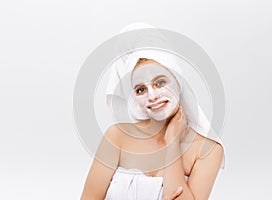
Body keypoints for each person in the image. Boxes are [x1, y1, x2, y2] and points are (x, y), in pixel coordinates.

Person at [80, 55, 225, 199]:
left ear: (178, 83)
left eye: (160, 82)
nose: (152, 96)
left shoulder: (207, 150)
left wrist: (172, 144)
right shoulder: (116, 136)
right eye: (141, 90)